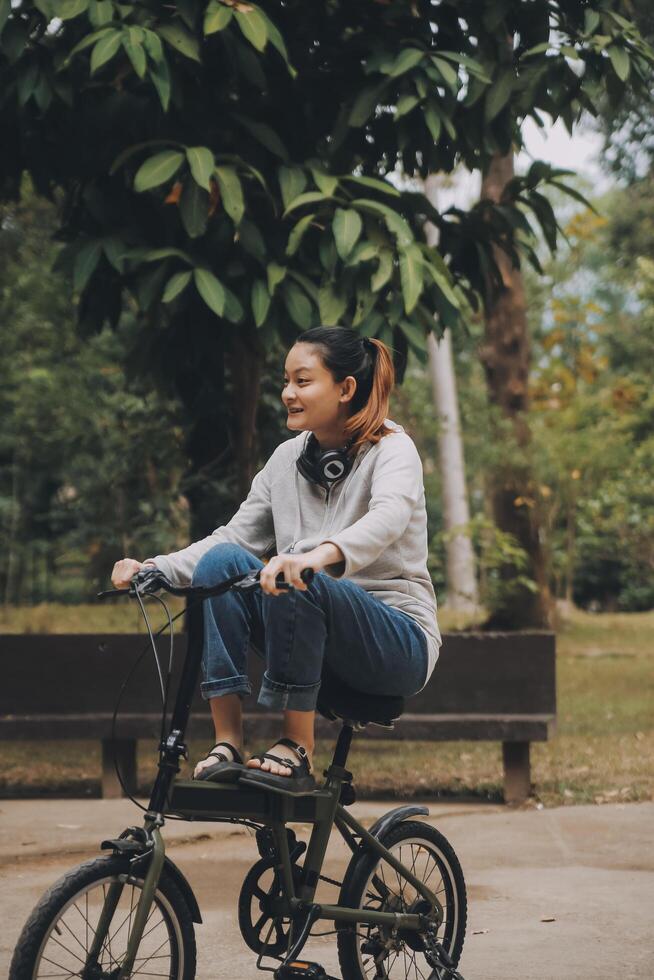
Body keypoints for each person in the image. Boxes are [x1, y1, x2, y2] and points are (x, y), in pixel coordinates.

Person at [111, 326, 441, 794]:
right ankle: (227, 741)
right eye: (285, 381)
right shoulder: (286, 460)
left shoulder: (393, 450)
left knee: (295, 575)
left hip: (397, 642)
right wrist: (154, 568)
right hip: (312, 631)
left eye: (302, 381)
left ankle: (296, 746)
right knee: (222, 564)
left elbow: (388, 518)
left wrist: (314, 559)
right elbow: (235, 538)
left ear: (346, 389)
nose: (287, 393)